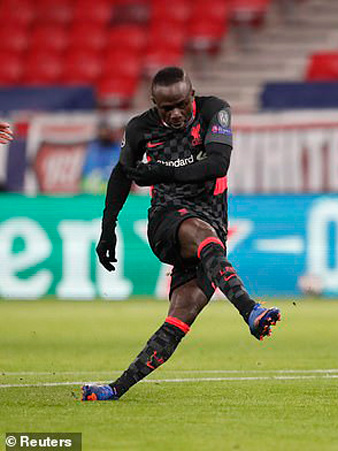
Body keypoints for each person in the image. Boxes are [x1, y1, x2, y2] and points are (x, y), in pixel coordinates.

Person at [82, 67, 281, 401]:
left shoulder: (214, 111)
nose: (175, 114)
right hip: (167, 221)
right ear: (153, 104)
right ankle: (250, 310)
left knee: (179, 319)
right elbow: (121, 174)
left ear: (192, 95)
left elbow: (218, 164)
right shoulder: (140, 128)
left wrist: (159, 171)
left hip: (211, 231)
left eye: (180, 105)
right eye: (165, 108)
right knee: (203, 235)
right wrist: (107, 228)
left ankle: (114, 389)